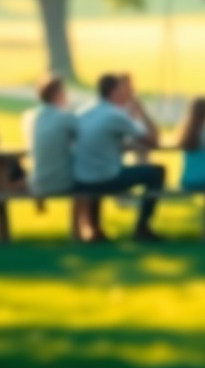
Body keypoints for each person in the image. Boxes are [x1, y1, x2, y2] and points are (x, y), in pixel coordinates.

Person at [72, 73, 164, 243]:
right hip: (104, 178)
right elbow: (153, 139)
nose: (127, 95)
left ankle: (95, 228)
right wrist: (141, 109)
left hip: (81, 178)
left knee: (97, 170)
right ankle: (142, 228)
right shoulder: (115, 115)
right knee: (156, 173)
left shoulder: (83, 112)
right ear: (113, 92)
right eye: (123, 90)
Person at [23, 75, 86, 225]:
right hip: (61, 182)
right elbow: (84, 137)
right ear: (58, 94)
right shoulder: (64, 117)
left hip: (35, 181)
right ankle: (81, 229)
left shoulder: (29, 117)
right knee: (89, 181)